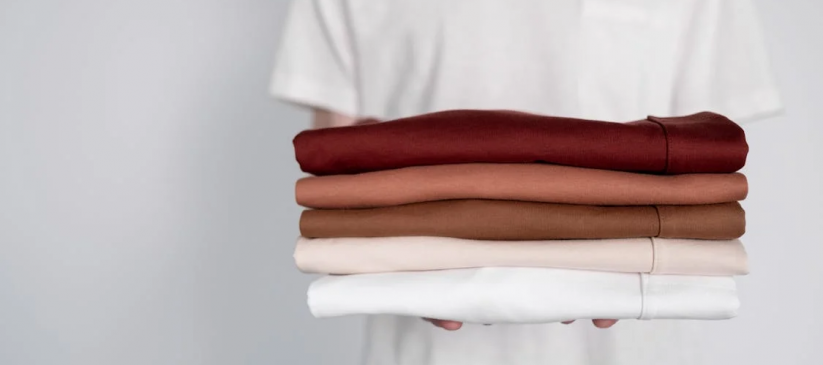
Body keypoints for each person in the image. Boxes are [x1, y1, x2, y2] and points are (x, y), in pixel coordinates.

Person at [270, 0, 782, 364]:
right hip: (423, 340)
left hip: (640, 327)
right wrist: (385, 266)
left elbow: (710, 149)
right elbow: (339, 161)